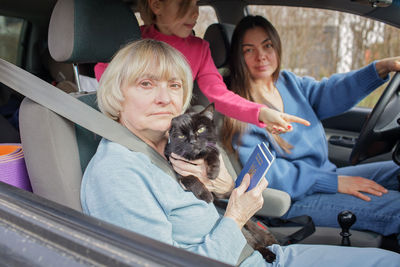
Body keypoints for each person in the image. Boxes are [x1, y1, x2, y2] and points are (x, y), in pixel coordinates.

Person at [81, 39, 400, 266]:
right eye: (146, 84)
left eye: (175, 86)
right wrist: (236, 215)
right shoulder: (118, 172)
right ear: (116, 94)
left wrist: (219, 188)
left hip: (263, 255)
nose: (165, 98)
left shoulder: (168, 143)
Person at [222, 15, 400, 242]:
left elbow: (331, 92)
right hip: (294, 199)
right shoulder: (241, 109)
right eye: (249, 50)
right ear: (238, 56)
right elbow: (270, 174)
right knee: (396, 209)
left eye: (267, 45)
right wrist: (332, 183)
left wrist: (379, 69)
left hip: (324, 177)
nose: (261, 56)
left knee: (397, 170)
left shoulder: (288, 82)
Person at [94, 0, 310, 134]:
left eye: (197, 3)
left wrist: (261, 112)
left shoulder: (199, 49)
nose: (195, 13)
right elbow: (107, 77)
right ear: (156, 5)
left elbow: (219, 95)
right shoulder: (133, 43)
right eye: (184, 4)